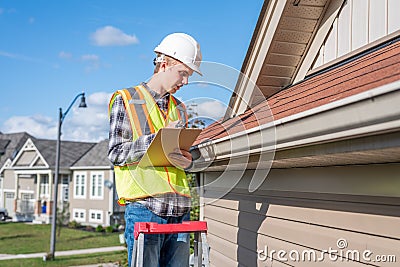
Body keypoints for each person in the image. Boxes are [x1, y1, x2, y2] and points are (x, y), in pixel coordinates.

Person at [108, 32, 202, 267]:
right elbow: (116, 153)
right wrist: (156, 139)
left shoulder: (180, 109)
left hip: (180, 209)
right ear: (163, 64)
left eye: (188, 76)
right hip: (146, 208)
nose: (185, 82)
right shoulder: (127, 100)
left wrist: (187, 160)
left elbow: (177, 160)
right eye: (183, 73)